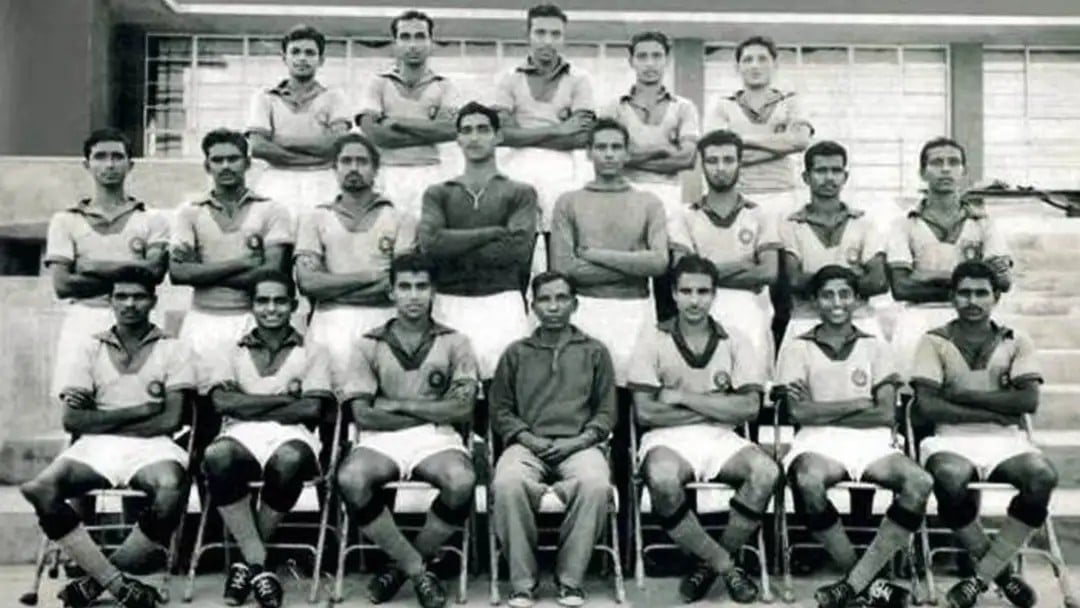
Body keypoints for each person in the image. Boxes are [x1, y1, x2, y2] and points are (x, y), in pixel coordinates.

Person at [21, 271, 194, 608]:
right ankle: (118, 584)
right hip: (96, 446)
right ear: (111, 301)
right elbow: (72, 419)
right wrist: (143, 409)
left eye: (139, 296)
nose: (130, 304)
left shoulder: (174, 348)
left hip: (153, 446)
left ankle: (98, 580)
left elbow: (171, 419)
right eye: (121, 296)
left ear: (153, 302)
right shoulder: (89, 347)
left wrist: (101, 419)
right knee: (40, 489)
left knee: (173, 486)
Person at [628, 255, 779, 604]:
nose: (695, 300)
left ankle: (707, 566)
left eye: (703, 291)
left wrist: (681, 397)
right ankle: (725, 565)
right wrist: (714, 405)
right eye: (686, 291)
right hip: (666, 439)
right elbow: (646, 412)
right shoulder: (652, 338)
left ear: (714, 295)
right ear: (673, 294)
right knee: (663, 479)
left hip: (722, 437)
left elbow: (749, 408)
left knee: (765, 471)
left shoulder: (736, 339)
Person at [778, 265, 931, 608]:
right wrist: (859, 402)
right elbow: (800, 414)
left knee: (918, 481)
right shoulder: (797, 348)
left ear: (858, 300)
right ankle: (866, 580)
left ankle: (852, 585)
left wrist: (825, 406)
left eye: (845, 294)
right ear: (815, 301)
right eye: (828, 295)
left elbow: (885, 413)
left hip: (872, 440)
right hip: (817, 440)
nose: (837, 303)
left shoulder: (876, 347)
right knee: (807, 480)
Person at [336, 254, 479, 608]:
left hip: (438, 436)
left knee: (461, 482)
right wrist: (431, 408)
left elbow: (462, 409)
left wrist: (398, 405)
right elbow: (363, 415)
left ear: (434, 292)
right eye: (405, 287)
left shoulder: (455, 342)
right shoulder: (368, 343)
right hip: (382, 439)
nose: (413, 295)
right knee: (351, 478)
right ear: (391, 293)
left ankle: (396, 569)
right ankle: (416, 569)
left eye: (421, 287)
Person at [912, 260, 1053, 608]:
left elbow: (1028, 400)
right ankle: (1001, 575)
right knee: (948, 476)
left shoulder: (1016, 340)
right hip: (948, 438)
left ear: (996, 298)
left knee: (1042, 477)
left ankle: (978, 578)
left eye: (981, 293)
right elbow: (928, 408)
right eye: (964, 293)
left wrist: (960, 395)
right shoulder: (934, 341)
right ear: (952, 297)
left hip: (1004, 439)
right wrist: (997, 404)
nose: (972, 300)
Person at [200, 270, 333, 608]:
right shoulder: (228, 349)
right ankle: (258, 564)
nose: (271, 308)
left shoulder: (314, 350)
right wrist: (286, 401)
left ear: (293, 304)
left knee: (288, 460)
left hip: (294, 434)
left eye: (279, 301)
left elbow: (313, 409)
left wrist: (249, 403)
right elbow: (221, 402)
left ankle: (246, 566)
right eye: (262, 301)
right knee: (217, 457)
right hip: (239, 432)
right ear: (252, 305)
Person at [490, 271, 616, 608]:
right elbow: (500, 410)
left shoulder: (595, 352)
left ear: (575, 304)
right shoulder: (516, 353)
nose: (554, 306)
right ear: (533, 306)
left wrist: (579, 441)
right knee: (507, 483)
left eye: (561, 298)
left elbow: (606, 412)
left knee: (595, 484)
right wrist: (527, 438)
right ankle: (522, 583)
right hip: (527, 445)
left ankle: (570, 580)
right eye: (545, 299)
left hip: (579, 445)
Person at [418, 102, 536, 387]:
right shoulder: (438, 193)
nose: (474, 137)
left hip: (502, 301)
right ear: (457, 138)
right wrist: (493, 232)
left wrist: (454, 243)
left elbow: (517, 250)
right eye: (467, 130)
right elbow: (431, 244)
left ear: (498, 136)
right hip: (449, 300)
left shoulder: (520, 192)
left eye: (483, 129)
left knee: (504, 389)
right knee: (449, 386)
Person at [44, 128, 169, 397]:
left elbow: (155, 273)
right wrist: (132, 270)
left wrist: (91, 267)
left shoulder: (151, 218)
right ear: (87, 164)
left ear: (130, 164)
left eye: (117, 157)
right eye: (101, 157)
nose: (109, 165)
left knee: (137, 394)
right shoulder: (66, 220)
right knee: (80, 399)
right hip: (85, 319)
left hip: (137, 319)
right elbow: (63, 285)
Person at [705, 35, 813, 343]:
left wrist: (744, 141)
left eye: (762, 59)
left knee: (781, 282)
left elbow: (800, 141)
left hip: (782, 197)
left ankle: (781, 357)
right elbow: (720, 150)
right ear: (738, 66)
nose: (755, 66)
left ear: (774, 64)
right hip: (741, 199)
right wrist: (779, 143)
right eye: (747, 59)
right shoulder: (724, 105)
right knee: (747, 276)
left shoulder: (790, 101)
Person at [170, 128, 295, 389]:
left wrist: (203, 272)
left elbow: (270, 274)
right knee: (199, 403)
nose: (226, 166)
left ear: (247, 163)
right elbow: (179, 274)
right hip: (201, 321)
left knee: (246, 395)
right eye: (217, 160)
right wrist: (244, 262)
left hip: (250, 319)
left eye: (233, 158)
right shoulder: (190, 212)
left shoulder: (272, 210)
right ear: (207, 165)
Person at [549, 118, 668, 387]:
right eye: (601, 147)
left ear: (628, 152)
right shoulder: (569, 202)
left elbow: (659, 262)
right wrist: (634, 263)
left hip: (635, 311)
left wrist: (594, 255)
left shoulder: (648, 202)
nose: (609, 154)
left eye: (616, 147)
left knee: (634, 392)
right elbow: (565, 267)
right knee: (584, 390)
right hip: (586, 310)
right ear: (589, 152)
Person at [887, 138, 1012, 379]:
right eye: (937, 162)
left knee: (975, 384)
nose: (945, 169)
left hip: (973, 320)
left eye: (953, 162)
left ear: (964, 171)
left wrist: (927, 276)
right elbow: (902, 288)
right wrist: (972, 279)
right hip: (918, 319)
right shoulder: (904, 224)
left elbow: (1002, 282)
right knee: (916, 388)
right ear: (923, 172)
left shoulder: (983, 223)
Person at [296, 133, 416, 382]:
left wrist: (331, 285)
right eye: (346, 161)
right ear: (334, 168)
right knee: (327, 401)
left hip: (383, 320)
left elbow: (398, 284)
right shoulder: (315, 218)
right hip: (329, 323)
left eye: (362, 162)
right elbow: (308, 284)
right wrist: (372, 276)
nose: (353, 168)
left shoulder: (401, 218)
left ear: (375, 169)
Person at [602, 30, 700, 320]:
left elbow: (687, 157)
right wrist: (662, 150)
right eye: (642, 56)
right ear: (631, 60)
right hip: (624, 198)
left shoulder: (683, 107)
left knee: (666, 278)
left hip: (668, 199)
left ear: (666, 60)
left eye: (656, 56)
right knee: (628, 276)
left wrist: (632, 156)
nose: (650, 63)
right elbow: (610, 159)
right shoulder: (614, 107)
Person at [494, 2, 596, 275]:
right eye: (540, 33)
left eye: (555, 34)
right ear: (528, 35)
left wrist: (523, 134)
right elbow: (501, 135)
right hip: (516, 170)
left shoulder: (580, 79)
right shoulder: (508, 78)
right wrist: (558, 129)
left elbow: (582, 136)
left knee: (559, 254)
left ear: (563, 38)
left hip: (562, 171)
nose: (547, 41)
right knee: (517, 251)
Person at [670, 129, 779, 376]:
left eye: (728, 160)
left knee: (750, 388)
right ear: (702, 165)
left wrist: (706, 268)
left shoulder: (760, 214)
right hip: (701, 311)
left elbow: (769, 272)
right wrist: (744, 265)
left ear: (740, 163)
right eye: (712, 160)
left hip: (749, 313)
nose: (720, 168)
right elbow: (683, 274)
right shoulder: (685, 216)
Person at [779, 140, 888, 347]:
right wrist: (853, 276)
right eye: (821, 171)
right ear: (806, 177)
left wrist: (814, 279)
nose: (829, 178)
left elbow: (878, 282)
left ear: (845, 177)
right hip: (806, 321)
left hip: (860, 320)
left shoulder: (864, 223)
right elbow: (793, 281)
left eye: (836, 171)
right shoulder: (790, 225)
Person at [356, 10, 459, 221]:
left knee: (426, 242)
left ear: (431, 42)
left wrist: (396, 122)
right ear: (395, 43)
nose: (413, 45)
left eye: (420, 37)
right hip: (386, 173)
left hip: (430, 172)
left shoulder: (444, 85)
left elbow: (449, 131)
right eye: (405, 37)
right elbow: (375, 134)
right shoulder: (378, 83)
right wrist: (428, 129)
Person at [246, 24, 351, 220]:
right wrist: (313, 155)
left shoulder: (335, 97)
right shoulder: (265, 97)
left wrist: (283, 141)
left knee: (321, 237)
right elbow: (259, 147)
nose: (302, 58)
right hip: (277, 179)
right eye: (295, 52)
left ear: (321, 60)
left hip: (323, 180)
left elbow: (338, 144)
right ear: (284, 58)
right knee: (276, 240)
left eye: (310, 53)